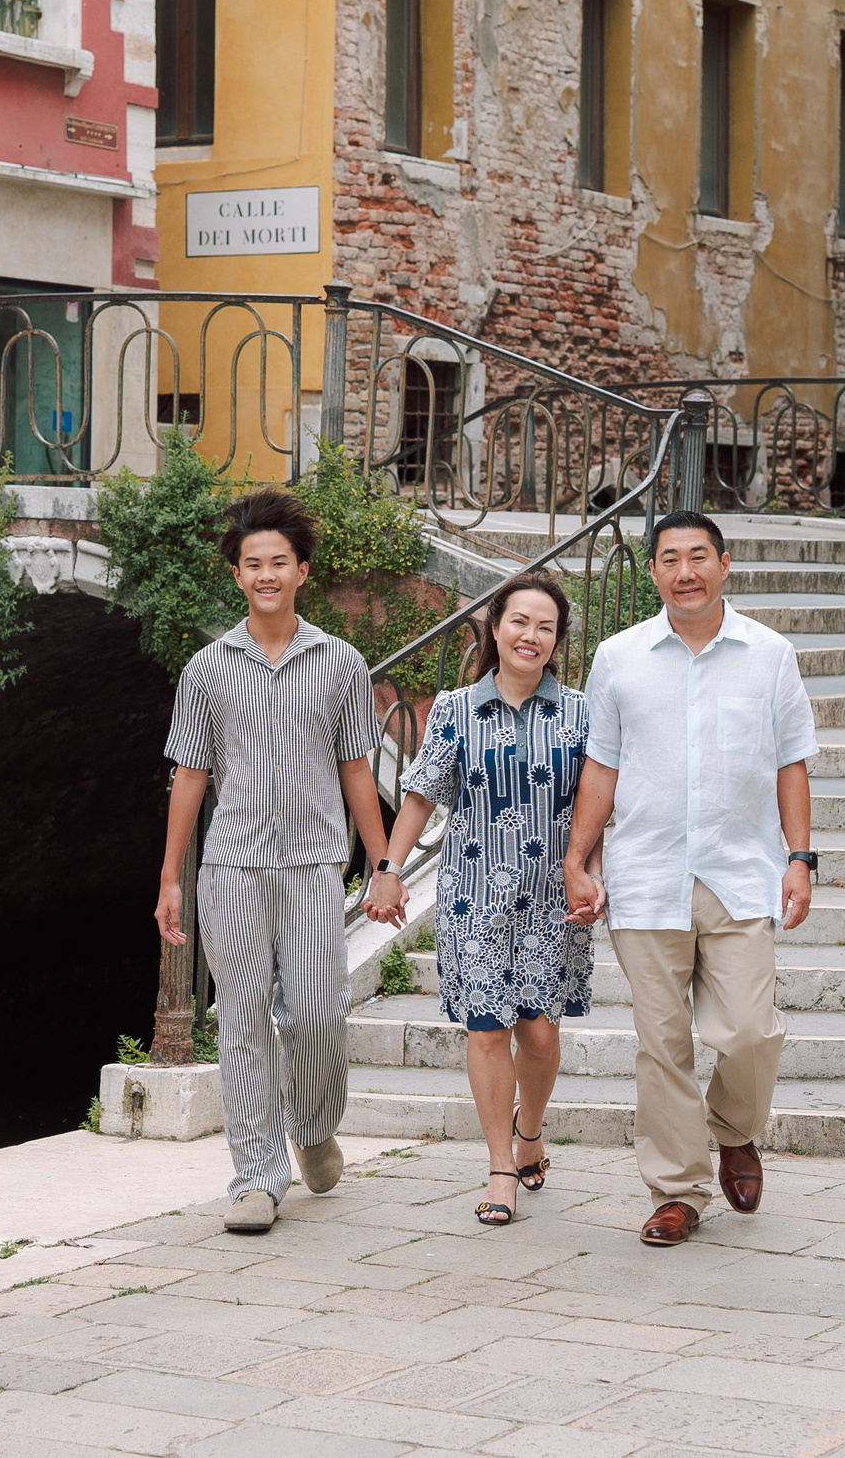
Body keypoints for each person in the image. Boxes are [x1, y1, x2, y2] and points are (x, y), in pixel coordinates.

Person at [565, 510, 817, 1247]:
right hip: (646, 875)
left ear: (725, 564)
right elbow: (602, 764)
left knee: (749, 1030)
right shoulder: (618, 657)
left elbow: (791, 761)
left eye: (699, 556)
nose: (686, 572)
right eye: (670, 558)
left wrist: (800, 857)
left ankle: (735, 1129)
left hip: (740, 873)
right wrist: (577, 858)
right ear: (652, 572)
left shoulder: (770, 654)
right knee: (662, 1042)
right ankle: (677, 1190)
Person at [159, 487, 394, 1236]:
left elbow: (358, 769)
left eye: (279, 562)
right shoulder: (206, 669)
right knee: (243, 1022)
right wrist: (170, 877)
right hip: (231, 868)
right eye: (253, 563)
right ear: (237, 574)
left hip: (314, 866)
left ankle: (315, 1126)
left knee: (319, 1012)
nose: (266, 574)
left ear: (301, 571)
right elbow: (190, 774)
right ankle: (256, 1177)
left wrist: (383, 864)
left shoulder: (341, 663)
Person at [367, 573, 593, 1226]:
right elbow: (420, 795)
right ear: (496, 628)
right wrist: (388, 870)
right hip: (474, 896)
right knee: (488, 1028)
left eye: (545, 627)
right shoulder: (455, 708)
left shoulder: (580, 712)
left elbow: (597, 804)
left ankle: (530, 1131)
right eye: (520, 621)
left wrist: (590, 871)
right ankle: (500, 1167)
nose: (531, 636)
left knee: (540, 1034)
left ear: (557, 640)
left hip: (551, 896)